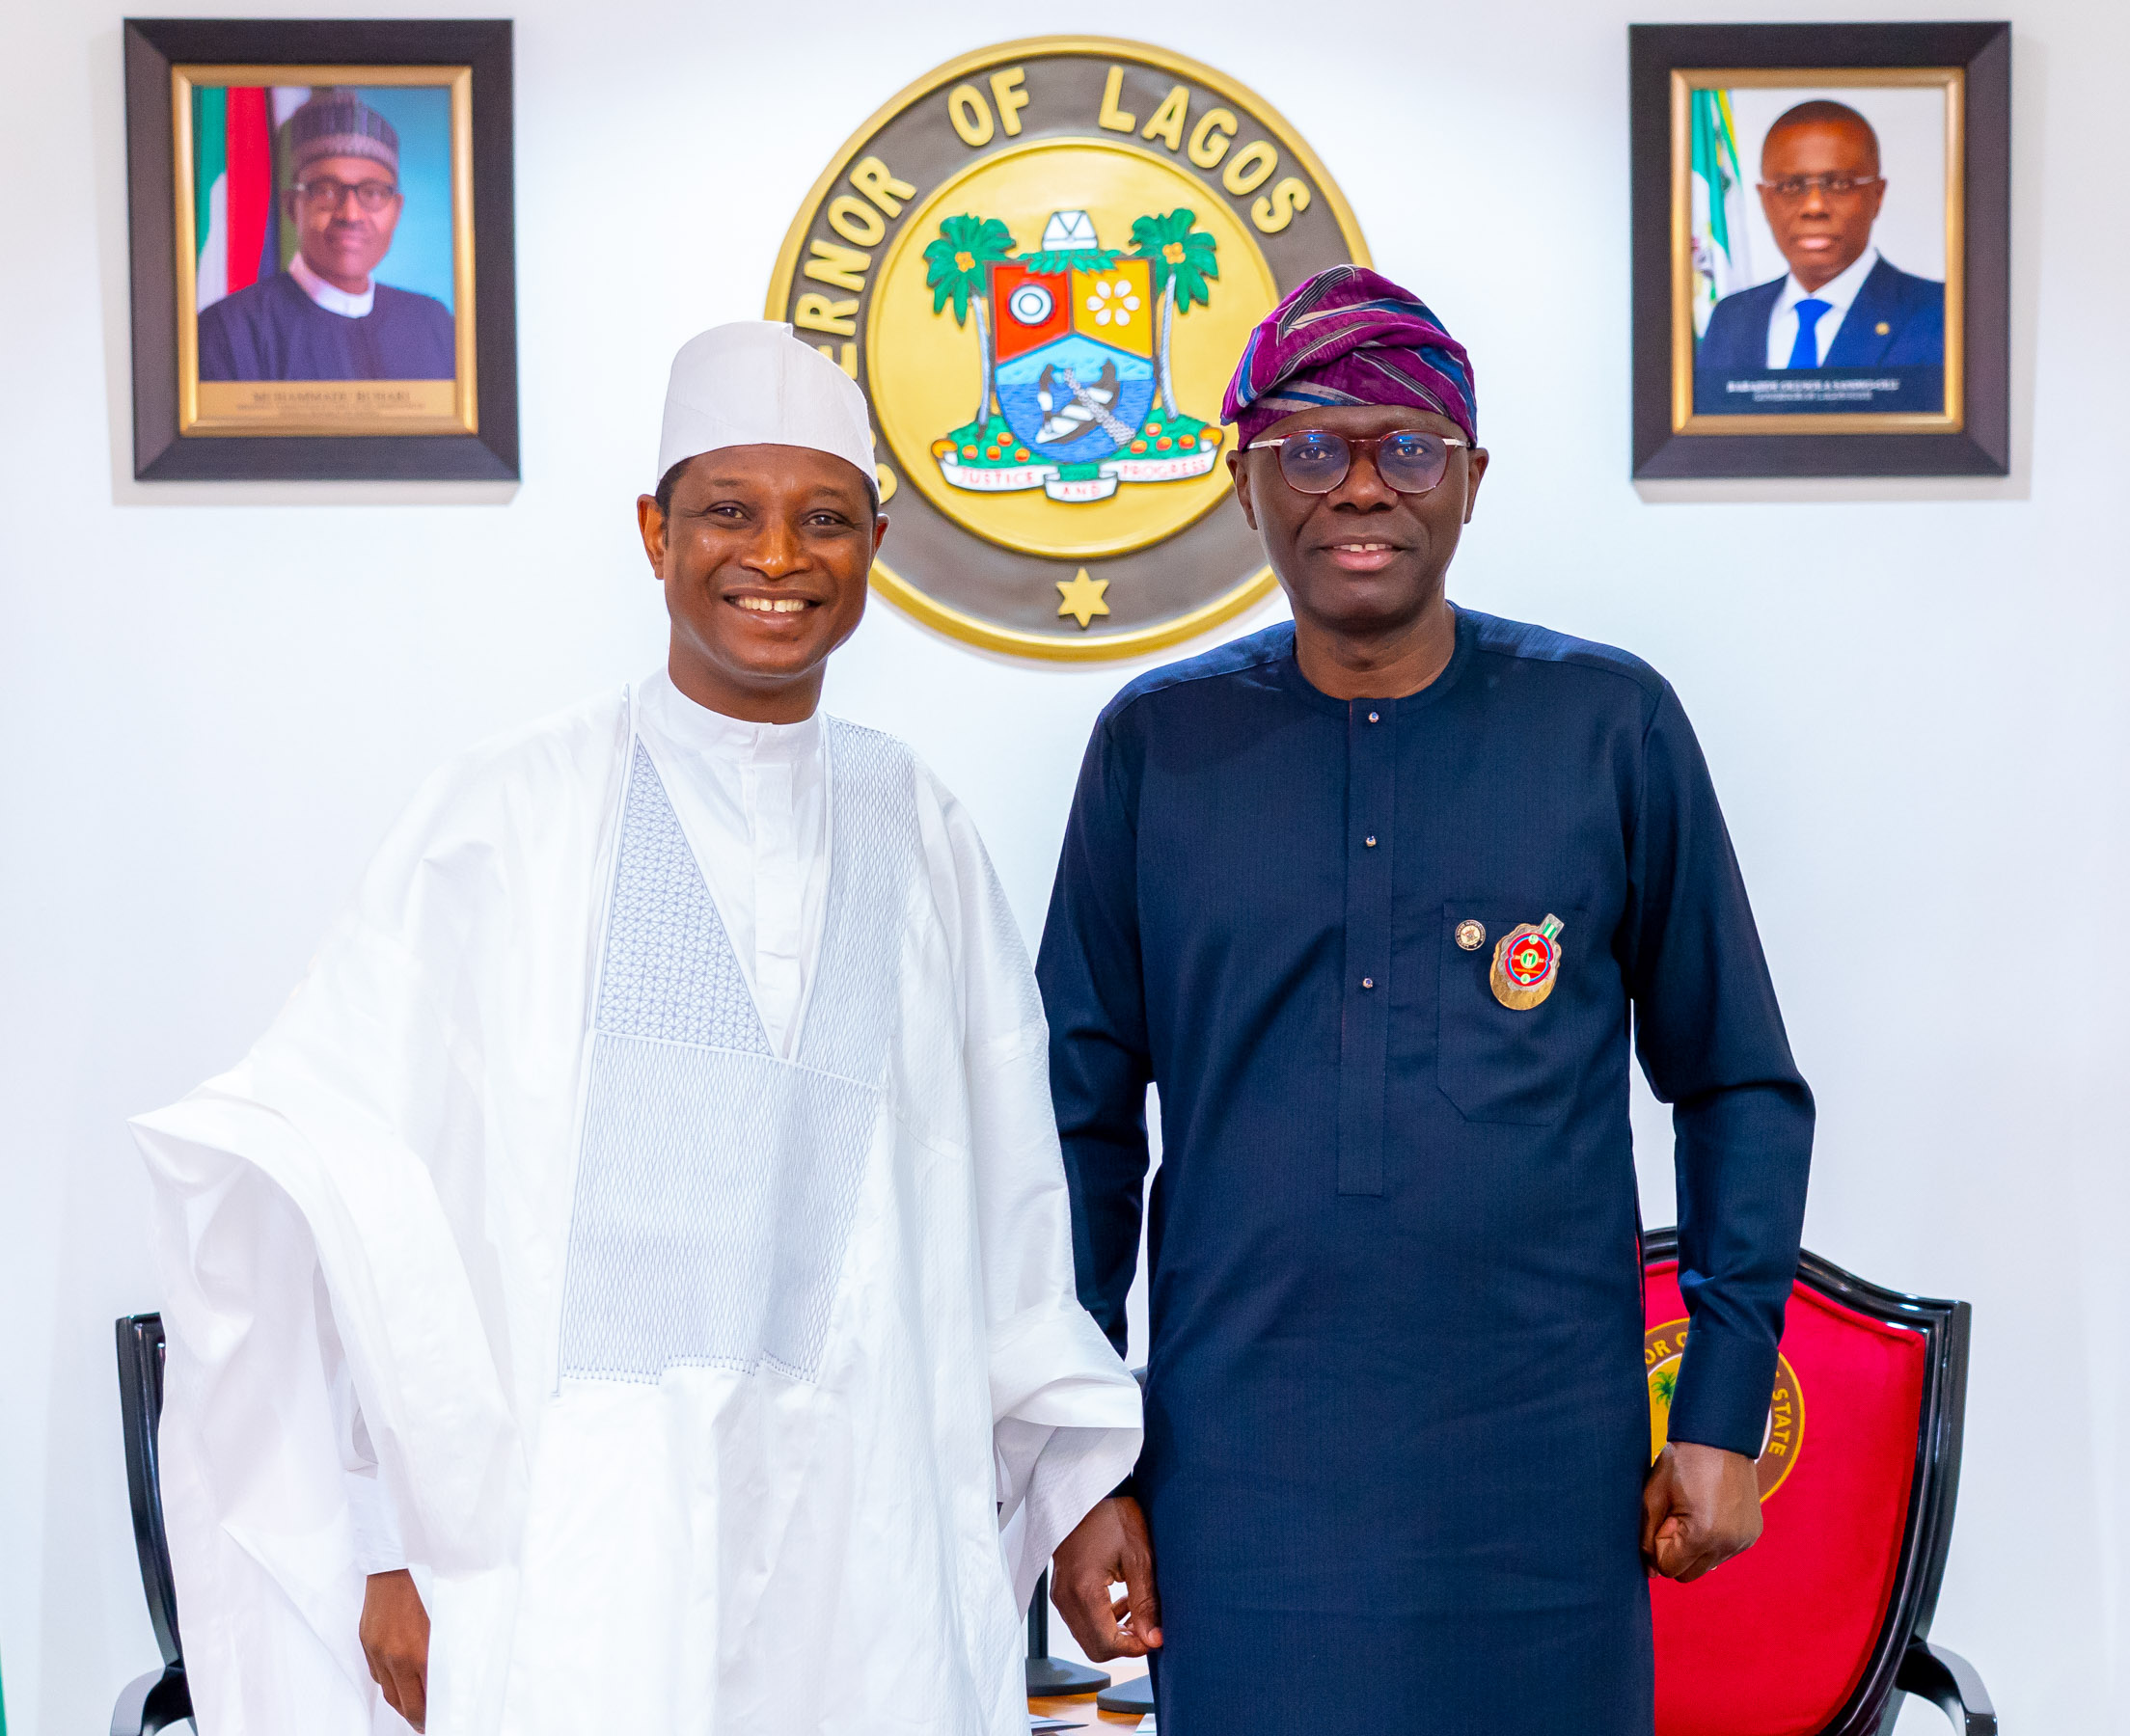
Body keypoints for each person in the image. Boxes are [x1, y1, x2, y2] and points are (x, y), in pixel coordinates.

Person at [132, 322, 1140, 1735]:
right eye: (730, 511)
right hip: (582, 1555)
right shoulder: (509, 817)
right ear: (656, 532)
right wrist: (378, 1534)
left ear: (878, 542)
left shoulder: (921, 830)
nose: (777, 557)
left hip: (870, 1552)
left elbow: (1009, 1212)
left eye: (825, 519)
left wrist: (1078, 1478)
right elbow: (340, 1177)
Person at [1038, 265, 1814, 1733]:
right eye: (1311, 451)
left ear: (1471, 481)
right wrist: (1079, 1475)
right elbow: (1076, 1138)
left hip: (1543, 1481)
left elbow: (1738, 1087)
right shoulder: (1157, 746)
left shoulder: (1608, 725)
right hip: (1242, 1485)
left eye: (1407, 449)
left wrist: (1716, 1408)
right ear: (1242, 482)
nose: (1360, 490)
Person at [198, 90, 457, 382]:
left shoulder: (433, 323)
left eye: (372, 192)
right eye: (326, 191)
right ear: (292, 207)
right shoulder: (229, 330)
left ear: (396, 211)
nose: (351, 214)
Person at [1697, 99, 1943, 374]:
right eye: (1790, 186)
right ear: (1765, 200)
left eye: (1839, 184)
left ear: (1877, 195)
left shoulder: (1941, 314)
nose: (1814, 207)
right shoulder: (1731, 319)